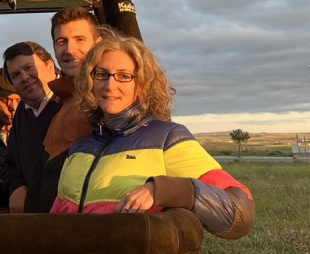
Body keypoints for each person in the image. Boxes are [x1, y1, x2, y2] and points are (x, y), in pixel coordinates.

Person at [51, 35, 255, 239]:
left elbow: (239, 215)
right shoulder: (80, 148)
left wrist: (163, 190)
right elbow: (55, 223)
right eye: (102, 74)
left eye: (123, 76)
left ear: (142, 84)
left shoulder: (168, 139)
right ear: (90, 81)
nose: (110, 85)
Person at [23, 7, 102, 212]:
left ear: (98, 44)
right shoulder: (65, 102)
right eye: (61, 42)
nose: (69, 49)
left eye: (80, 39)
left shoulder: (106, 100)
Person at [0, 41, 59, 213]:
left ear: (50, 66)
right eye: (16, 75)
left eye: (29, 68)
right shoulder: (22, 112)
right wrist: (16, 187)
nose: (25, 77)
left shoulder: (72, 103)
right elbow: (10, 162)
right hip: (32, 217)